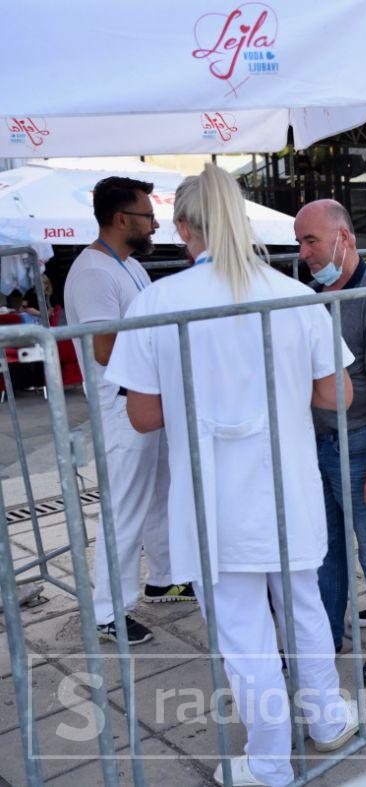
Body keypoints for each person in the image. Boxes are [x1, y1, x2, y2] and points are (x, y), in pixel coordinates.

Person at [105, 164, 358, 785]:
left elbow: (141, 415)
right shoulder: (293, 295)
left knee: (244, 632)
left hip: (215, 495)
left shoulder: (159, 303)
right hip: (286, 484)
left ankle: (271, 762)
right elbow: (338, 395)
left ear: (187, 229)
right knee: (303, 606)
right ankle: (326, 718)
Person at [64, 176, 190, 646]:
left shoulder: (127, 264)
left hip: (142, 397)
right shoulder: (96, 272)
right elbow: (103, 348)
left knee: (158, 491)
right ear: (121, 220)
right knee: (123, 507)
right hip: (119, 405)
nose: (155, 224)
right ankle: (106, 610)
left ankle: (164, 578)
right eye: (147, 216)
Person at [295, 199, 366, 688]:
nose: (303, 254)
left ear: (345, 239)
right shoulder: (310, 293)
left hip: (361, 444)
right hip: (316, 443)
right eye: (300, 242)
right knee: (323, 549)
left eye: (311, 241)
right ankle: (326, 636)